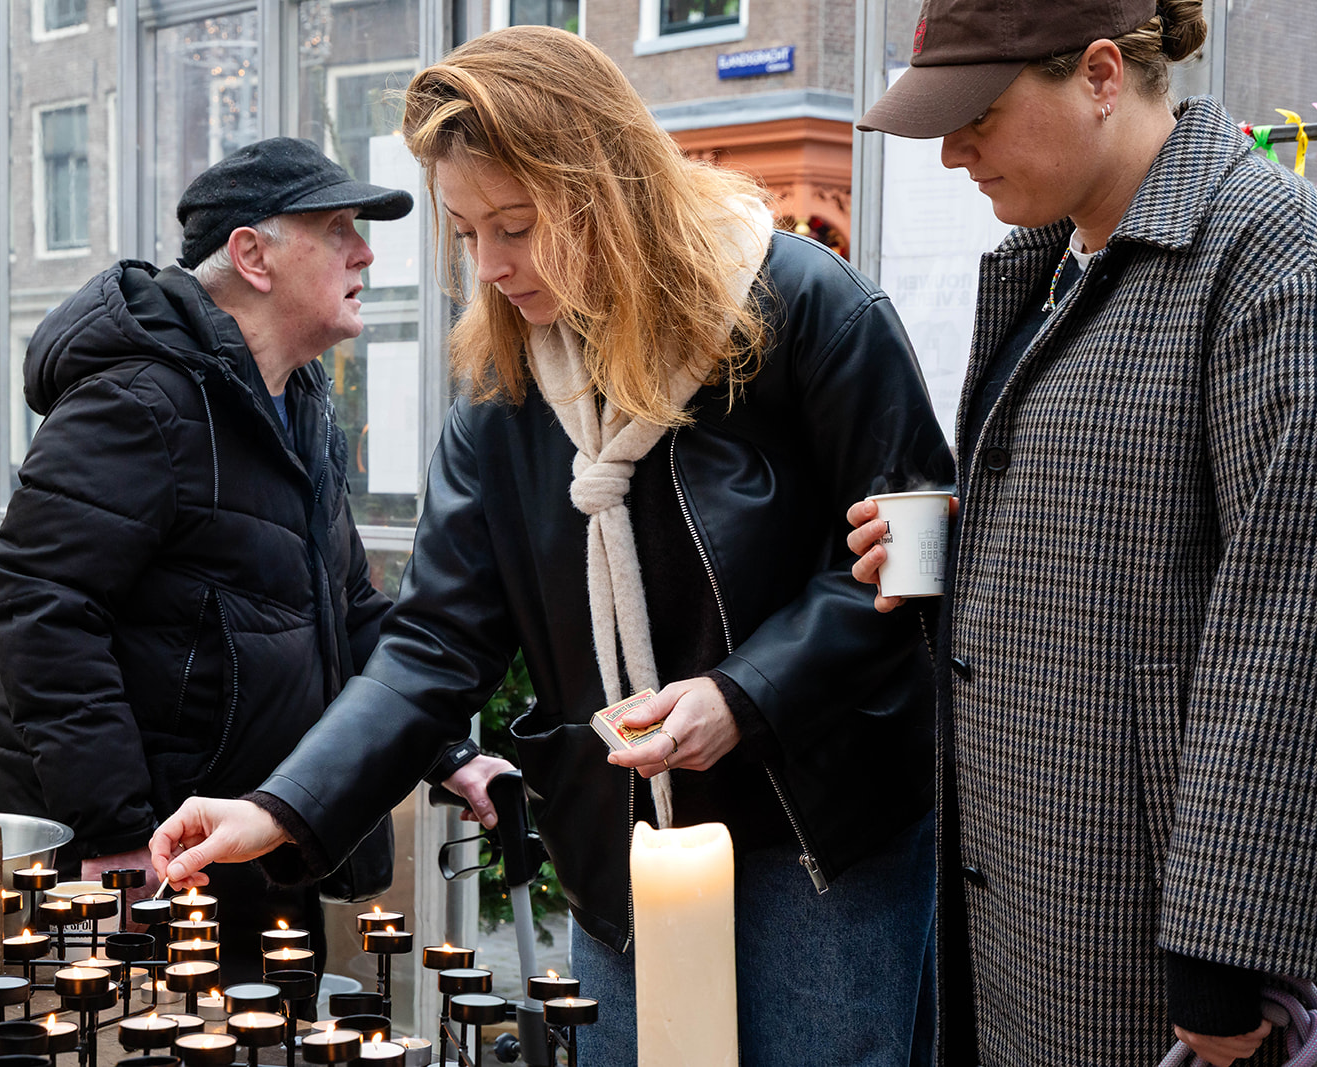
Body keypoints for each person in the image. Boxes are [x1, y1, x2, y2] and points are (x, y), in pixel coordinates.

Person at [148, 26, 953, 1067]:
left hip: (822, 838)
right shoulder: (505, 382)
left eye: (517, 226)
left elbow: (908, 563)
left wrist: (741, 696)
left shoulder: (806, 309)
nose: (490, 265)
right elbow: (435, 641)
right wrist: (280, 806)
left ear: (606, 190)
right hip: (622, 849)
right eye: (466, 231)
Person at [849, 1, 1317, 1064]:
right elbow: (1141, 527)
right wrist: (973, 552)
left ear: (1102, 75)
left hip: (1177, 961)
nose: (952, 151)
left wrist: (1229, 956)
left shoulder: (1287, 268)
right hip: (1050, 913)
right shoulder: (1054, 262)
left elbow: (1312, 619)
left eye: (978, 113)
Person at [0, 137, 413, 984]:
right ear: (252, 256)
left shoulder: (297, 404)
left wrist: (449, 753)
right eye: (336, 229)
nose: (364, 252)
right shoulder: (139, 401)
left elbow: (349, 609)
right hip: (148, 866)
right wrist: (113, 834)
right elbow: (43, 606)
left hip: (257, 845)